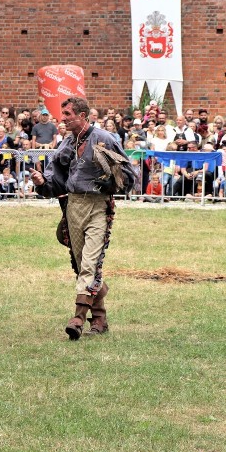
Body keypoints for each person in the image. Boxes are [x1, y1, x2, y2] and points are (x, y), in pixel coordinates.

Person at [29, 97, 136, 341]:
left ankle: (77, 318)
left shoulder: (105, 139)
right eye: (62, 113)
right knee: (81, 266)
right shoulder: (66, 143)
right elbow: (55, 176)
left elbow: (129, 174)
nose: (63, 118)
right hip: (73, 205)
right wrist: (42, 182)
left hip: (98, 205)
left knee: (90, 263)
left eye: (67, 114)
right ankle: (99, 317)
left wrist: (113, 181)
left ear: (83, 115)